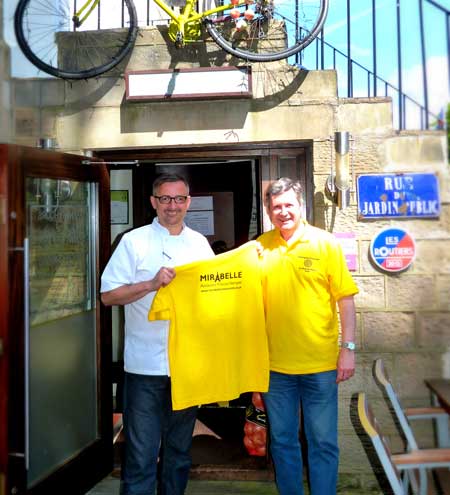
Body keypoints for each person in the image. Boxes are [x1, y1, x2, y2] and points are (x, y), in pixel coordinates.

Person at [100, 173, 214, 495]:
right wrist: (151, 284)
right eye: (164, 199)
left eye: (179, 199)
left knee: (179, 454)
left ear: (189, 202)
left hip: (186, 368)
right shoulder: (133, 241)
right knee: (140, 455)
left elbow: (216, 297)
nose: (172, 206)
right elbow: (108, 296)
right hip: (144, 369)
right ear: (153, 202)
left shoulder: (200, 245)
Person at [257, 177, 358, 495]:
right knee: (283, 442)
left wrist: (348, 348)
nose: (283, 212)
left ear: (300, 206)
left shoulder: (325, 243)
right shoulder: (259, 248)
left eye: (288, 205)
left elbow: (345, 299)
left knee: (323, 442)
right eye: (276, 207)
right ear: (268, 211)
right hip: (276, 369)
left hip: (320, 365)